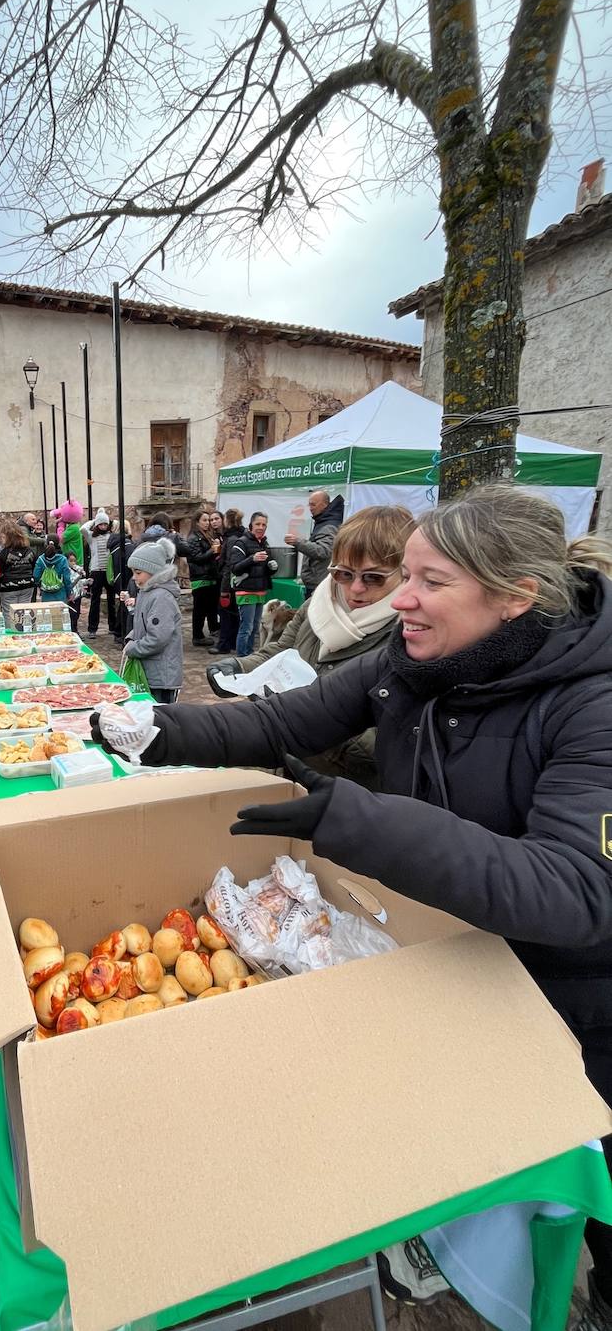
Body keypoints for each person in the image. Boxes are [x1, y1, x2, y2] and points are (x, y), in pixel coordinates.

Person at [92, 484, 612, 1323]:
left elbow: (577, 888)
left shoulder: (593, 700)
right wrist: (155, 728)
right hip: (452, 959)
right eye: (401, 574)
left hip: (573, 1000)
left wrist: (355, 818)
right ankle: (435, 1230)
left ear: (513, 597)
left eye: (428, 581)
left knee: (586, 1187)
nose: (398, 598)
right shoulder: (411, 660)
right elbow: (282, 719)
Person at [207, 505, 415, 787]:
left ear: (405, 574)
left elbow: (393, 747)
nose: (355, 589)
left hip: (354, 795)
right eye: (344, 573)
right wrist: (239, 668)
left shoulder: (411, 634)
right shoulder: (319, 603)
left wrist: (308, 720)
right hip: (296, 767)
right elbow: (281, 650)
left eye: (373, 577)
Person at [122, 536, 183, 703]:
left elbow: (158, 637)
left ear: (154, 571)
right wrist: (131, 637)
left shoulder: (161, 597)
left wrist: (134, 648)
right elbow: (143, 624)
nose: (134, 577)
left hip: (161, 676)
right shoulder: (147, 592)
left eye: (138, 572)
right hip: (151, 671)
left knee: (160, 719)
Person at [230, 512, 278, 657]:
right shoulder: (241, 543)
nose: (261, 527)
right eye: (258, 524)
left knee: (255, 627)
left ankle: (250, 656)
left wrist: (272, 567)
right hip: (246, 591)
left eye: (264, 525)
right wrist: (252, 559)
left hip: (260, 590)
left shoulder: (264, 543)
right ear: (251, 525)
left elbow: (265, 571)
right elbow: (235, 568)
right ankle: (242, 658)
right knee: (246, 627)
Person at [286, 490, 345, 599]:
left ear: (325, 505)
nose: (310, 508)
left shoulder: (329, 526)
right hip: (318, 582)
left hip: (318, 584)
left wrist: (297, 542)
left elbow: (323, 551)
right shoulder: (324, 522)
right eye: (309, 504)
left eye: (313, 504)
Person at [211, 508, 245, 655]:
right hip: (239, 582)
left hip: (229, 583)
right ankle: (233, 642)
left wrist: (224, 589)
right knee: (235, 614)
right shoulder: (242, 535)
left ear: (227, 521)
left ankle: (223, 645)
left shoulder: (231, 539)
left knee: (225, 614)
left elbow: (228, 566)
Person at [186, 510, 221, 647]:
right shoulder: (194, 538)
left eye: (208, 520)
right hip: (200, 577)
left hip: (209, 576)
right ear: (197, 522)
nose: (208, 523)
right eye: (205, 520)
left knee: (210, 607)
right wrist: (212, 550)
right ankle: (197, 636)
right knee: (199, 609)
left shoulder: (205, 535)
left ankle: (212, 629)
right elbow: (196, 558)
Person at [82, 508, 117, 637]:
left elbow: (118, 525)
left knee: (111, 600)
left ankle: (112, 627)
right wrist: (95, 520)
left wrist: (107, 519)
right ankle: (92, 629)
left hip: (108, 571)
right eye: (100, 524)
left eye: (105, 524)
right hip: (96, 571)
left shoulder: (111, 536)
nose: (103, 526)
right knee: (95, 600)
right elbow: (83, 529)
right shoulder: (92, 537)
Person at [0, 521, 36, 628]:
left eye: (2, 537)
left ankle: (11, 635)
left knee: (9, 614)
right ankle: (24, 632)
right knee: (24, 612)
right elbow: (33, 566)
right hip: (27, 584)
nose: (1, 540)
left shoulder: (4, 553)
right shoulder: (29, 551)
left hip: (9, 586)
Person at [34, 536, 72, 602]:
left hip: (46, 594)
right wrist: (69, 593)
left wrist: (42, 585)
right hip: (61, 594)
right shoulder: (63, 559)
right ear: (58, 544)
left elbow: (36, 576)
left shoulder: (41, 559)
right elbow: (67, 579)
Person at [66, 551, 89, 633]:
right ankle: (73, 631)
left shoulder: (76, 570)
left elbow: (79, 582)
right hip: (71, 596)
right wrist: (79, 576)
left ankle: (75, 630)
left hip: (78, 595)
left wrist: (86, 581)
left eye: (74, 560)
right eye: (71, 560)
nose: (73, 563)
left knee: (77, 613)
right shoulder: (66, 571)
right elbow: (71, 583)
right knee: (72, 614)